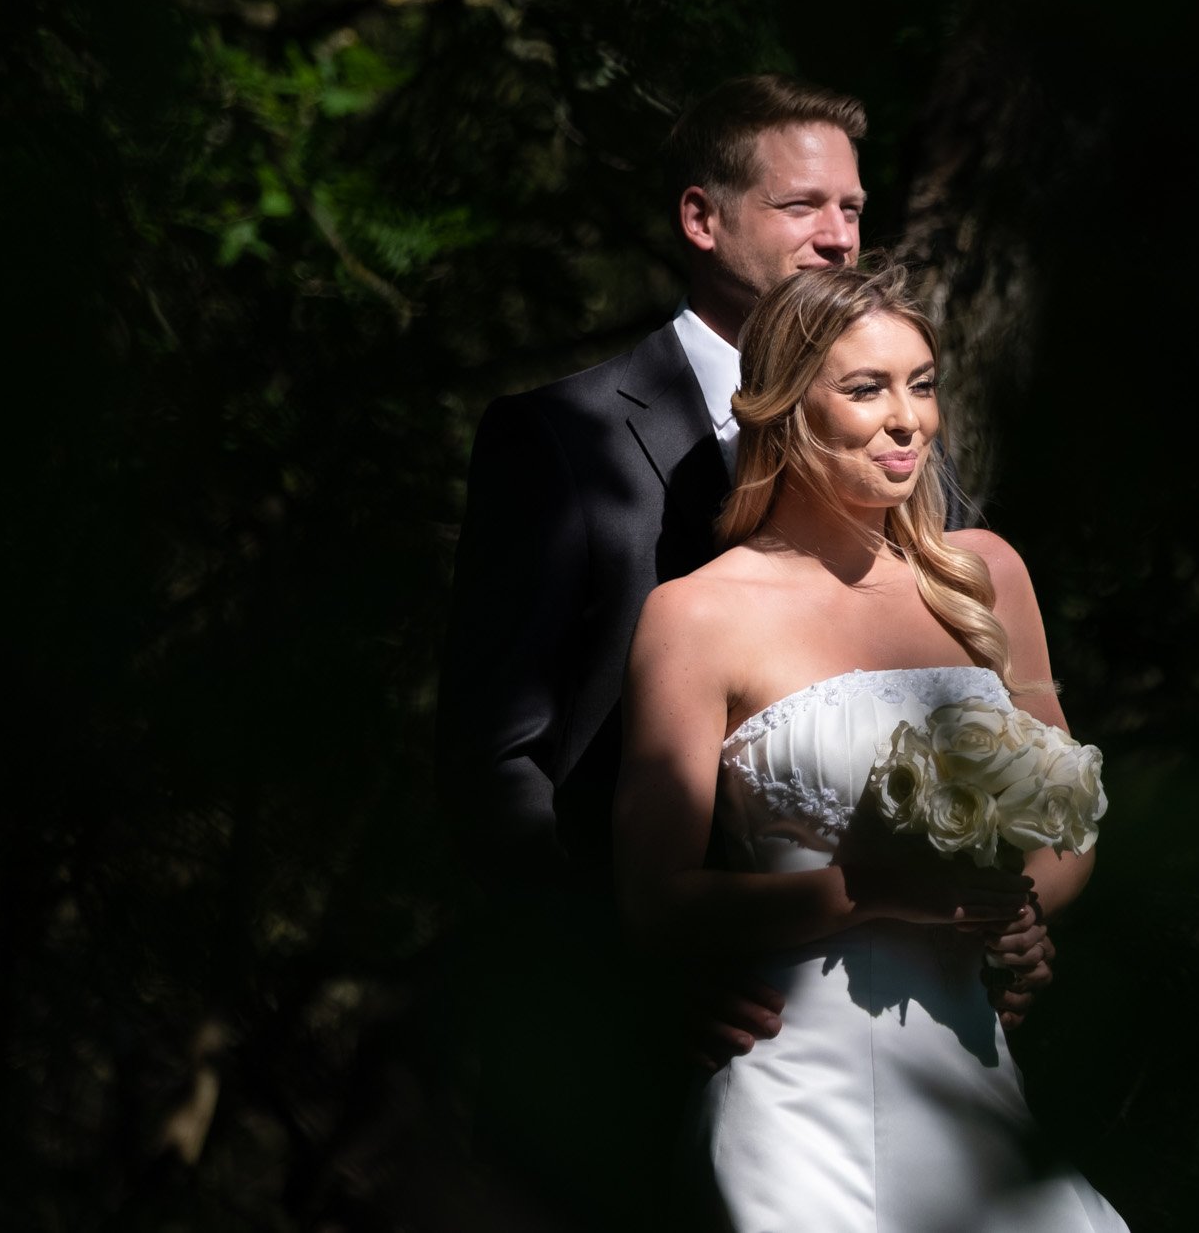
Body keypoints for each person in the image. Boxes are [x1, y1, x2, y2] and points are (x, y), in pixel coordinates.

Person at [438, 74, 1048, 1070]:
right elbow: (494, 761)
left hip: (899, 1015)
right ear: (700, 219)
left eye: (852, 207)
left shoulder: (898, 449)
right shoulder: (558, 437)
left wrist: (1004, 906)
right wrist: (635, 962)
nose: (838, 236)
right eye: (801, 204)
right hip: (637, 1031)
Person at [615, 264, 1125, 1233]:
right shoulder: (696, 616)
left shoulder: (984, 580)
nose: (907, 419)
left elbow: (1070, 822)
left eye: (921, 383)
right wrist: (869, 891)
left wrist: (1020, 906)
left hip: (970, 1069)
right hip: (797, 1090)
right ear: (782, 406)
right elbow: (655, 896)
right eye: (865, 388)